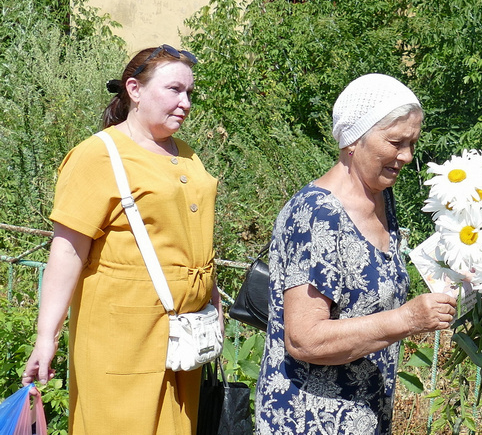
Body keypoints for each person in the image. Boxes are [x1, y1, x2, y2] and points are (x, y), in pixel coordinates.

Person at [22, 44, 222, 434]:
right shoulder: (98, 155)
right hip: (123, 337)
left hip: (183, 340)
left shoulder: (187, 154)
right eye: (174, 90)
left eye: (189, 93)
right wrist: (46, 337)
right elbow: (66, 250)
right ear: (134, 89)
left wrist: (210, 299)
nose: (185, 103)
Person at [255, 73, 457, 434]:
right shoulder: (317, 215)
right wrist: (407, 320)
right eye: (396, 142)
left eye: (412, 143)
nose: (407, 156)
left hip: (365, 417)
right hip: (309, 421)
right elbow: (304, 338)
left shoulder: (381, 196)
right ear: (353, 141)